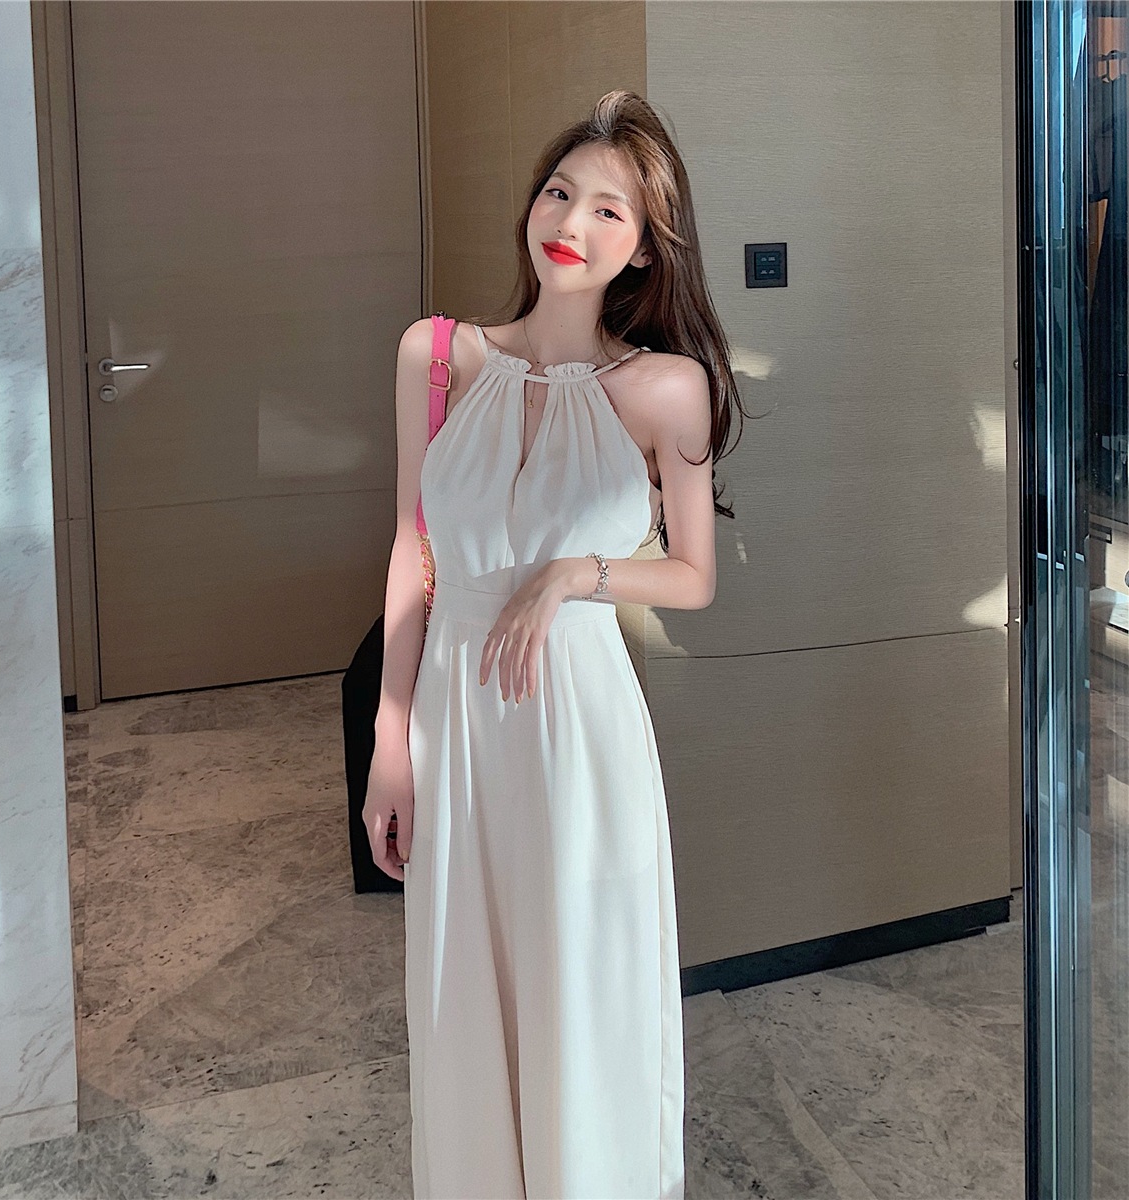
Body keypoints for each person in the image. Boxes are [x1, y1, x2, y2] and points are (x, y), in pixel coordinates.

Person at [364, 89, 749, 1200]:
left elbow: (693, 577)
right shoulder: (435, 356)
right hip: (457, 724)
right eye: (558, 191)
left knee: (583, 990)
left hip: (580, 730)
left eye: (608, 210)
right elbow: (412, 549)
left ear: (646, 248)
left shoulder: (665, 388)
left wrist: (578, 574)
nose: (570, 221)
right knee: (464, 992)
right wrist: (391, 742)